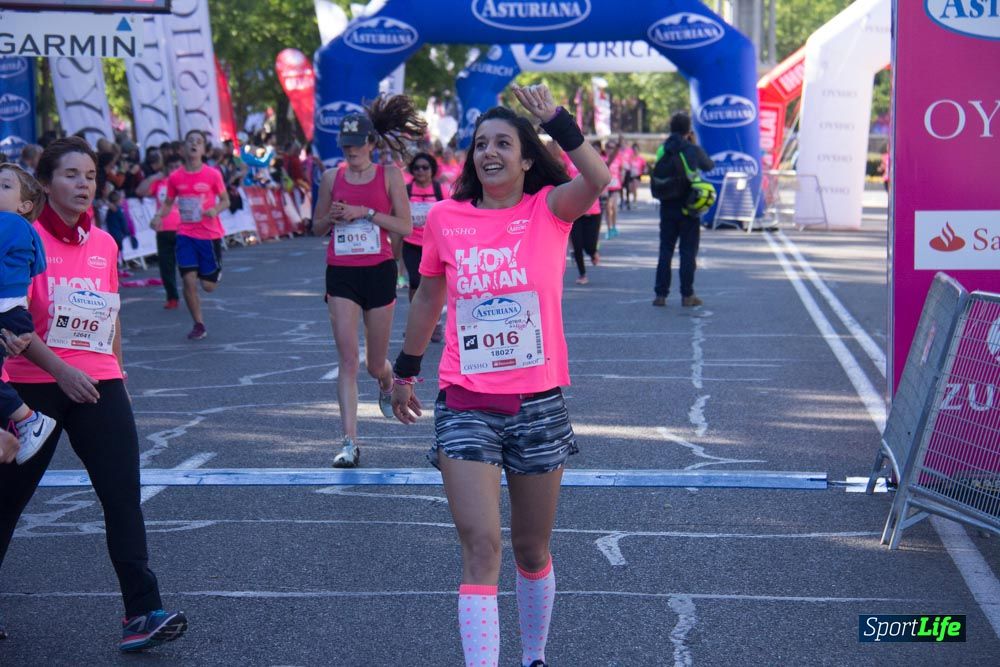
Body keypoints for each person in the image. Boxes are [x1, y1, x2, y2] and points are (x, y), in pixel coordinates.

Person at [390, 83, 609, 667]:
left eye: (504, 143)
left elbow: (598, 180)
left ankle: (533, 656)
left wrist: (559, 122)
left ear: (525, 157)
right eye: (481, 143)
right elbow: (428, 295)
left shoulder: (549, 211)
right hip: (465, 402)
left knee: (531, 549)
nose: (489, 152)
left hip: (538, 403)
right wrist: (406, 370)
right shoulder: (445, 217)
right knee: (481, 546)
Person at [0, 137, 187, 651]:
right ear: (44, 184)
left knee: (122, 495)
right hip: (31, 383)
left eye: (89, 176)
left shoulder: (105, 243)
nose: (84, 184)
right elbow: (11, 325)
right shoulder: (21, 236)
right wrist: (61, 372)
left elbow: (111, 315)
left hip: (98, 384)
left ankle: (143, 611)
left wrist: (118, 377)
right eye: (71, 175)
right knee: (6, 500)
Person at [312, 95, 424, 468]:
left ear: (371, 144)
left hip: (378, 271)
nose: (352, 152)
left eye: (358, 145)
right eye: (346, 146)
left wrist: (367, 213)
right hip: (341, 272)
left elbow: (405, 226)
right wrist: (333, 217)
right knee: (347, 359)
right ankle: (349, 442)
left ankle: (387, 381)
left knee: (375, 363)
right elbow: (316, 228)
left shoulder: (389, 175)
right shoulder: (332, 177)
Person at [0, 164, 57, 463]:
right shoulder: (26, 230)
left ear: (25, 205)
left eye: (5, 186)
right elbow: (38, 266)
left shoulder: (8, 223)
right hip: (14, 312)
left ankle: (27, 419)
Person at [150, 129, 230, 340]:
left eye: (198, 142)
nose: (194, 144)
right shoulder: (175, 177)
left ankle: (214, 273)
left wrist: (215, 210)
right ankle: (198, 324)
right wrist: (158, 216)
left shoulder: (213, 174)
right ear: (184, 148)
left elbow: (226, 200)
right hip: (185, 233)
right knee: (188, 280)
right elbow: (168, 203)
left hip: (209, 234)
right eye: (190, 141)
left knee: (208, 286)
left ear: (203, 149)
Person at [653, 113, 714, 308]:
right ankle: (687, 295)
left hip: (667, 206)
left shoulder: (663, 149)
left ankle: (660, 295)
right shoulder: (691, 149)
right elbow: (709, 165)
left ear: (671, 128)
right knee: (687, 252)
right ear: (688, 130)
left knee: (665, 251)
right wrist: (694, 143)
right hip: (689, 207)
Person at [403, 152, 446, 341]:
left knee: (434, 285)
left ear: (432, 170)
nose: (421, 171)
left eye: (425, 167)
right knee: (414, 282)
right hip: (411, 242)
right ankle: (417, 323)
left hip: (434, 244)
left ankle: (434, 324)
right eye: (417, 168)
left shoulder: (440, 190)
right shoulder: (406, 190)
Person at [548, 142, 601, 285]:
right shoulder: (566, 158)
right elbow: (554, 154)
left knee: (589, 246)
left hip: (593, 210)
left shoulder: (590, 159)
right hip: (575, 209)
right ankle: (582, 274)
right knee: (577, 245)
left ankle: (593, 252)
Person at [137, 152, 183, 309]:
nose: (174, 170)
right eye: (171, 167)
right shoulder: (161, 182)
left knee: (187, 266)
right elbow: (140, 191)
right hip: (163, 229)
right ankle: (172, 297)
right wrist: (154, 177)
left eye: (177, 166)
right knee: (166, 266)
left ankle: (191, 292)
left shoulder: (186, 182)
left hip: (185, 229)